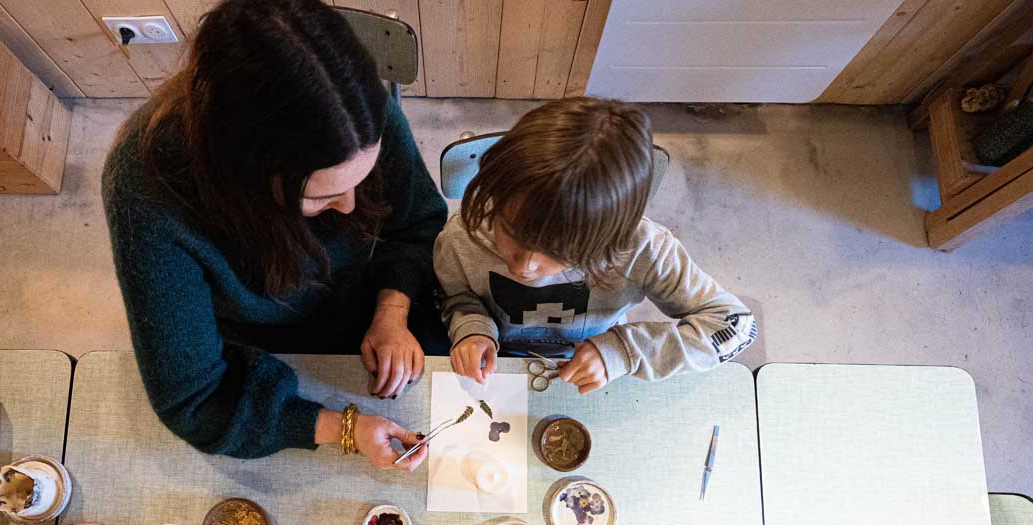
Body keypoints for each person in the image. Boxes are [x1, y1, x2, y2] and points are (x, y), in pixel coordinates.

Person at [102, 0, 446, 469]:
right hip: (267, 343)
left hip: (379, 302)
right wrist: (342, 428)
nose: (350, 206)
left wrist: (392, 309)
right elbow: (196, 401)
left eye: (360, 181)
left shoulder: (360, 113)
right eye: (323, 196)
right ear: (246, 177)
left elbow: (417, 222)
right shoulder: (147, 191)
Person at [434, 97, 757, 394]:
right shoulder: (463, 236)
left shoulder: (643, 248)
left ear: (611, 237)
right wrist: (472, 328)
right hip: (498, 357)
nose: (524, 266)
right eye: (510, 231)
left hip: (601, 363)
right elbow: (455, 295)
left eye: (560, 253)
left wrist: (625, 350)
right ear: (497, 194)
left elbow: (737, 325)